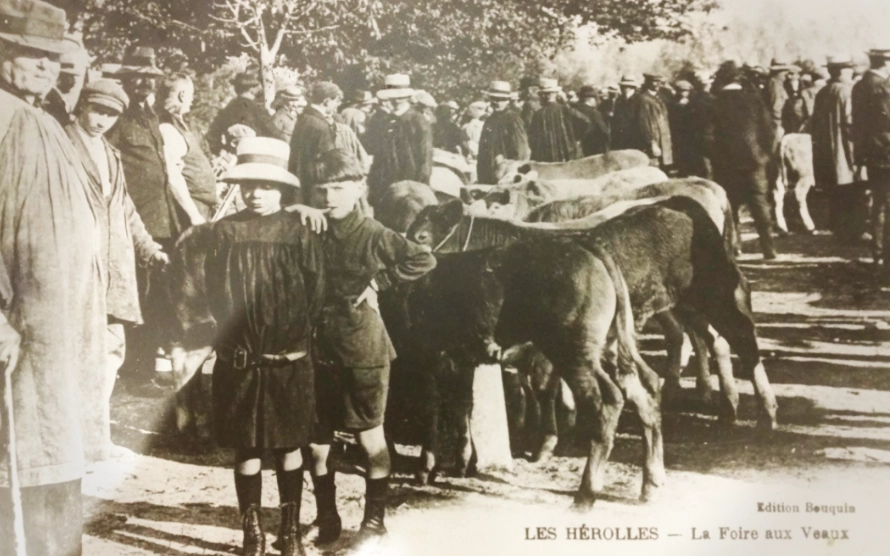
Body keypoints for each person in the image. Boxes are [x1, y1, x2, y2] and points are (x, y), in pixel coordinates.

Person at [168, 137, 325, 556]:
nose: (256, 194)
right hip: (240, 358)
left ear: (282, 191)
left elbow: (315, 294)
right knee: (247, 446)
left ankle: (289, 533)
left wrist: (289, 336)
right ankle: (251, 534)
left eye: (266, 186)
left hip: (288, 358)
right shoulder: (224, 231)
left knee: (290, 444)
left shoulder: (300, 231)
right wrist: (237, 337)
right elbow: (215, 293)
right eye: (248, 185)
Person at [0, 1, 106, 554]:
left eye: (49, 56)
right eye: (27, 53)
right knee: (22, 460)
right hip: (19, 329)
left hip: (61, 326)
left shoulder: (46, 119)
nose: (43, 65)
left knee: (57, 449)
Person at [304, 149, 436, 554]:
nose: (329, 196)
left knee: (369, 440)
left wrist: (383, 283)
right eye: (322, 189)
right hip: (318, 349)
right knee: (315, 443)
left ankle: (374, 524)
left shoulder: (376, 233)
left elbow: (424, 258)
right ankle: (327, 520)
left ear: (359, 187)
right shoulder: (313, 229)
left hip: (363, 349)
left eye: (339, 188)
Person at [66, 79, 169, 463]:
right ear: (81, 106)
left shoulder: (110, 153)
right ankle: (70, 441)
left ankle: (96, 439)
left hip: (113, 271)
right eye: (96, 110)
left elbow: (124, 208)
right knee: (75, 354)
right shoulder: (61, 145)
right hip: (76, 268)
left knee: (110, 352)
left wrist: (149, 247)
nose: (101, 120)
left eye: (110, 115)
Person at [106, 45, 187, 387]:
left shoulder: (150, 115)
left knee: (156, 298)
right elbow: (109, 166)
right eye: (137, 76)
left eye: (151, 77)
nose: (145, 82)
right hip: (134, 220)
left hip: (161, 218)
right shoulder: (118, 116)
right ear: (124, 78)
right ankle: (135, 372)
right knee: (136, 297)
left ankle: (145, 369)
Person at [708, 61, 777, 260]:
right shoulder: (754, 99)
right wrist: (764, 155)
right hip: (755, 162)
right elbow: (769, 130)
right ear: (739, 78)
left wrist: (718, 158)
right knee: (760, 203)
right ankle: (769, 248)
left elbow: (708, 137)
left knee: (731, 206)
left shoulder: (715, 102)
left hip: (726, 164)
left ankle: (734, 248)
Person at [157, 72, 219, 221]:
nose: (192, 99)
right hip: (189, 211)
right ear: (183, 95)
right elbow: (173, 177)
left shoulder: (179, 123)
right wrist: (194, 216)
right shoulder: (167, 126)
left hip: (201, 207)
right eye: (191, 94)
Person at [367, 74, 433, 203]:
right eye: (393, 98)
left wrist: (421, 182)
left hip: (409, 178)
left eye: (400, 97)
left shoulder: (417, 120)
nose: (396, 101)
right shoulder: (385, 120)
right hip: (385, 179)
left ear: (408, 97)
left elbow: (425, 153)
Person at [812, 55, 858, 241]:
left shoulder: (823, 92)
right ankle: (850, 232)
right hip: (844, 151)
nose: (852, 73)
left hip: (825, 150)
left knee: (834, 192)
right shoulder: (846, 92)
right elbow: (850, 123)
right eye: (849, 70)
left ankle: (837, 229)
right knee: (850, 190)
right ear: (842, 72)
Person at [852, 48, 890, 268]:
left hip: (872, 152)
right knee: (885, 204)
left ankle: (878, 252)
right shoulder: (881, 88)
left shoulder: (860, 86)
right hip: (886, 151)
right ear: (885, 63)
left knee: (879, 204)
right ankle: (883, 254)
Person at [288, 81, 340, 201]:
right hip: (313, 186)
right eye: (336, 101)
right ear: (326, 101)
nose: (336, 105)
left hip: (298, 182)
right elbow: (328, 160)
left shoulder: (305, 117)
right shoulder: (320, 125)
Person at [205, 72, 281, 154]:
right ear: (252, 89)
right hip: (254, 156)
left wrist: (222, 150)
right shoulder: (258, 110)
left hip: (233, 157)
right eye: (256, 86)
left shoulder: (228, 109)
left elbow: (212, 136)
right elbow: (275, 134)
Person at [476, 81, 530, 184]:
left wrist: (510, 170)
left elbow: (521, 150)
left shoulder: (513, 119)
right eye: (493, 99)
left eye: (500, 99)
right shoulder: (489, 120)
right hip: (487, 173)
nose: (496, 102)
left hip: (505, 175)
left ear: (507, 101)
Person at [527, 77, 590, 162]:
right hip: (568, 156)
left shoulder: (538, 114)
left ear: (545, 95)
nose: (540, 98)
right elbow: (586, 122)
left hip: (546, 160)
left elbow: (532, 139)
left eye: (540, 95)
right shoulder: (566, 110)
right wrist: (575, 138)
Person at [638, 73, 674, 168]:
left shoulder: (661, 97)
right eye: (655, 81)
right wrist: (652, 143)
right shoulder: (644, 99)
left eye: (659, 81)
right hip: (655, 141)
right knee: (655, 168)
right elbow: (644, 123)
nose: (658, 84)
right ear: (648, 82)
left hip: (664, 140)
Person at [43, 50, 81, 126]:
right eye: (70, 77)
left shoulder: (58, 97)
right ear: (59, 78)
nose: (74, 82)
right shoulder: (50, 97)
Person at [670, 80, 697, 176]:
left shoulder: (693, 102)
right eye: (681, 91)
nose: (684, 93)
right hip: (679, 133)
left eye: (686, 91)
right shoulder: (673, 102)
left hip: (690, 132)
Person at [575, 84, 610, 156]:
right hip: (593, 149)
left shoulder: (573, 111)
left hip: (577, 149)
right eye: (595, 99)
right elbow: (604, 131)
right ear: (590, 100)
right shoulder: (594, 113)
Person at [610, 75, 642, 151]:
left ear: (630, 87)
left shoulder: (639, 100)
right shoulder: (619, 100)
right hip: (620, 140)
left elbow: (642, 121)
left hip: (634, 140)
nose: (621, 88)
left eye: (623, 86)